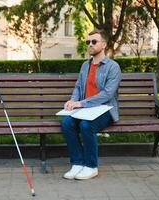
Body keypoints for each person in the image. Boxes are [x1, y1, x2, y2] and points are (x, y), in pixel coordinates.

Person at [61, 29, 122, 180]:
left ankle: (91, 166)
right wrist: (72, 101)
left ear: (104, 44)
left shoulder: (113, 67)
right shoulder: (85, 65)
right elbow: (78, 87)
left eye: (94, 42)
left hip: (104, 110)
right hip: (84, 109)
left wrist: (81, 103)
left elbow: (107, 94)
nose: (90, 44)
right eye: (88, 42)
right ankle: (77, 163)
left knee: (86, 126)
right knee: (66, 123)